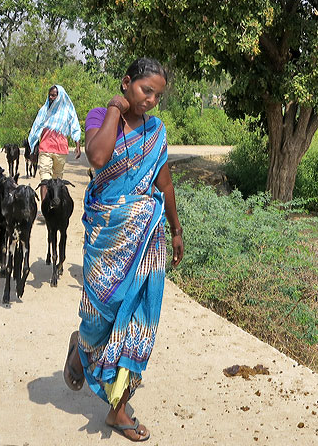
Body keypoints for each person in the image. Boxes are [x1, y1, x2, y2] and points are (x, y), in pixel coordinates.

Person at [62, 58, 184, 443]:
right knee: (100, 317)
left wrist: (176, 229)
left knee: (133, 322)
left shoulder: (156, 132)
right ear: (127, 83)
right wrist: (115, 109)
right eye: (145, 90)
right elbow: (97, 158)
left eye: (157, 95)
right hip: (106, 235)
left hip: (144, 244)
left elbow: (163, 183)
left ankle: (117, 408)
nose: (150, 100)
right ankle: (82, 347)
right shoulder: (102, 114)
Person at [27, 85, 82, 203]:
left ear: (60, 96)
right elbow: (36, 128)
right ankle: (45, 207)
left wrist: (77, 145)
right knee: (45, 178)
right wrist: (33, 149)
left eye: (54, 95)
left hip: (61, 151)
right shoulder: (44, 110)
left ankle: (56, 205)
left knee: (57, 180)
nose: (51, 98)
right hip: (45, 148)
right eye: (50, 95)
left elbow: (75, 126)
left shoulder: (68, 111)